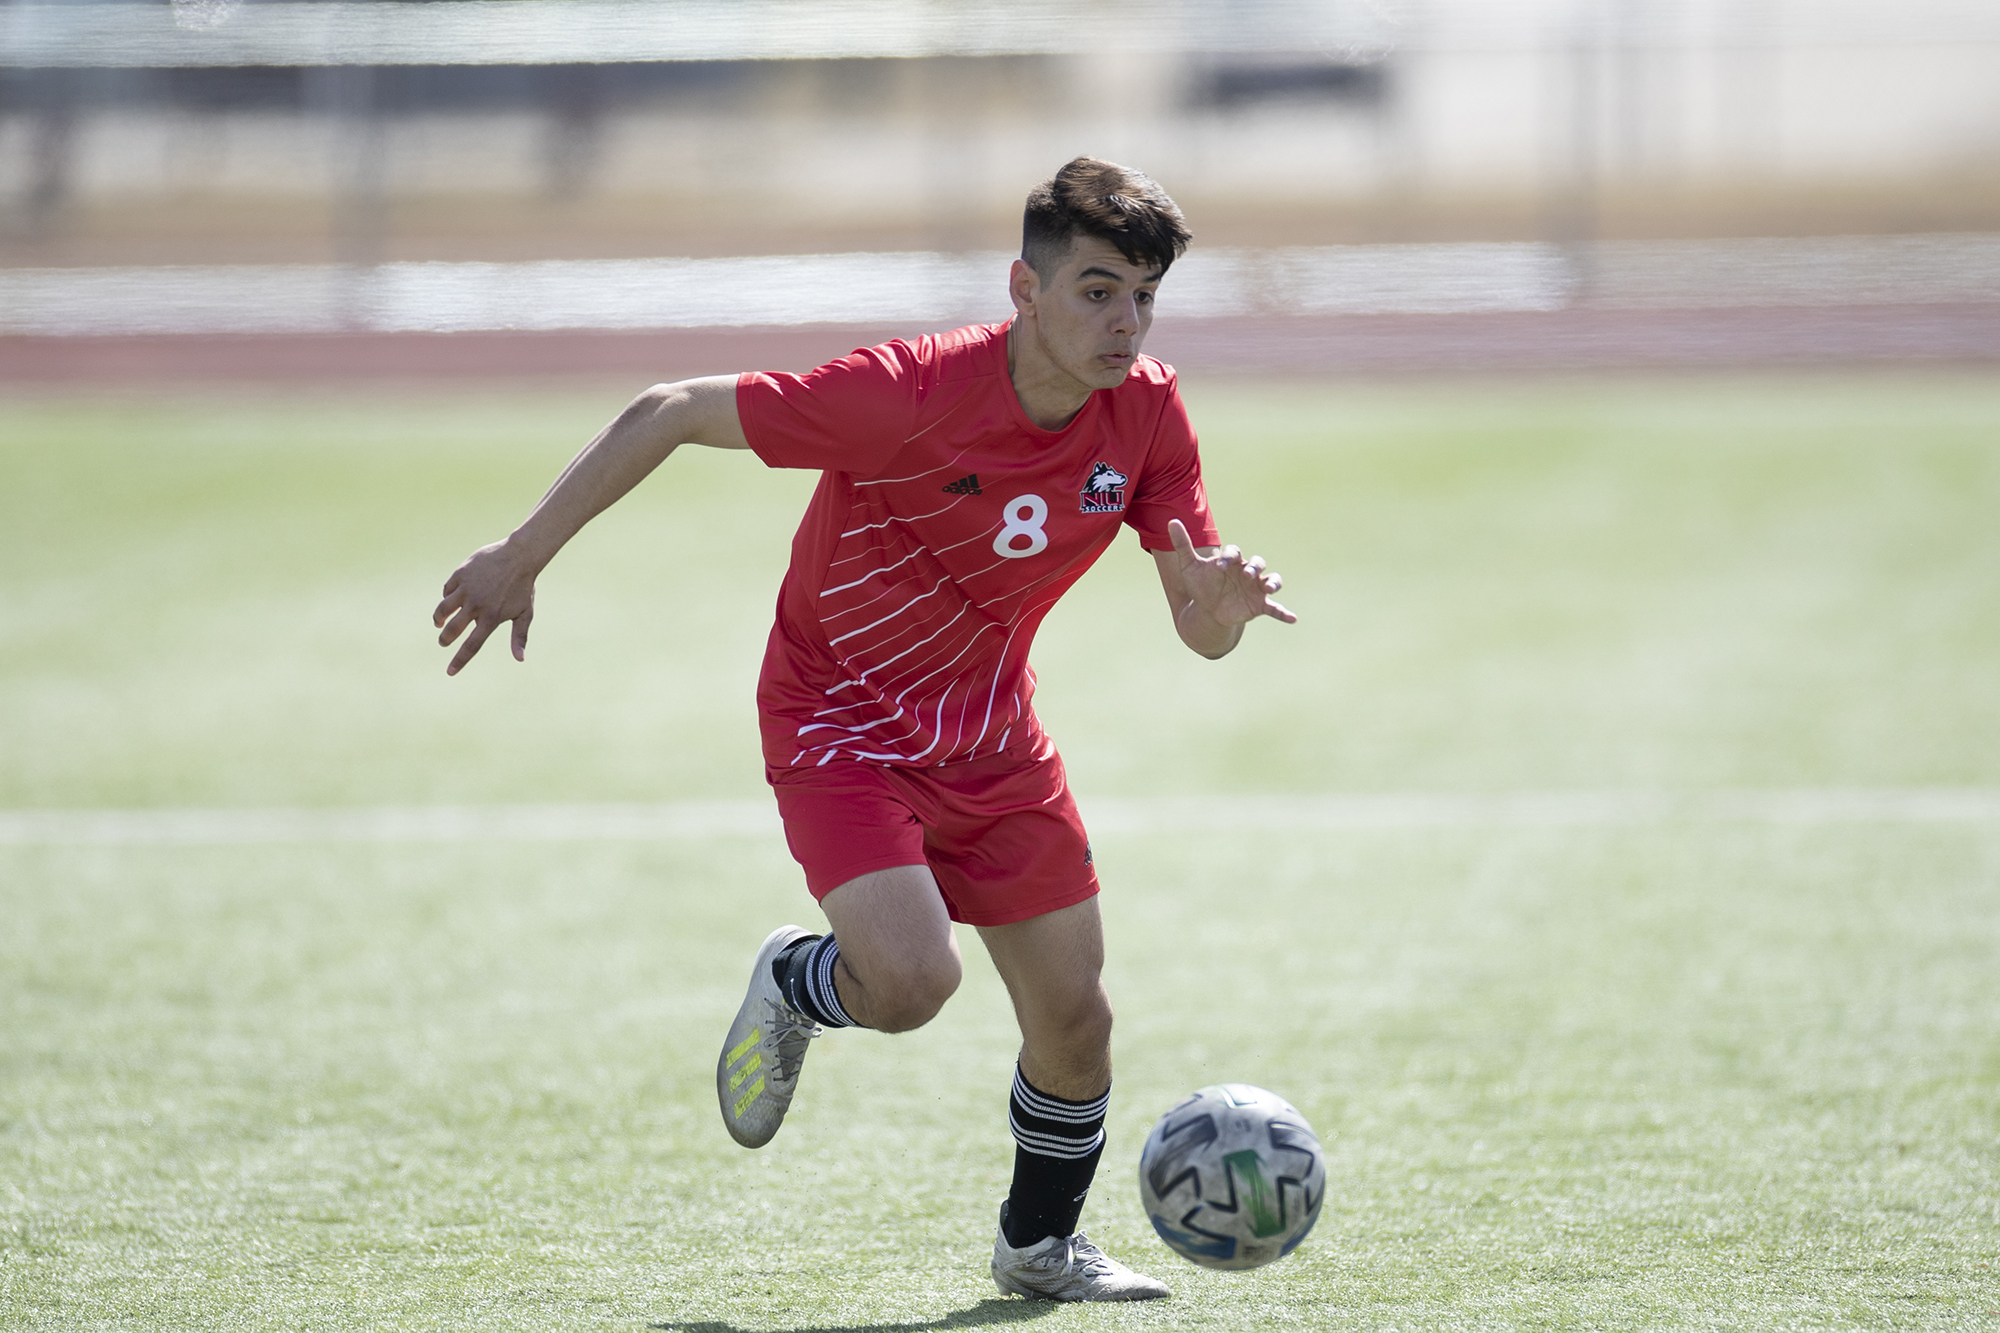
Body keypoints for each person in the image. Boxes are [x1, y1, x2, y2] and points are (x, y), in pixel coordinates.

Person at [432, 157, 1294, 1302]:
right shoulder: (906, 392)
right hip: (837, 719)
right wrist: (519, 553)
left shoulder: (1147, 412)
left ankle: (1038, 1247)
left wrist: (1220, 610)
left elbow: (1198, 623)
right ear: (1022, 291)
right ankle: (798, 983)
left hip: (989, 735)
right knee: (906, 983)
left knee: (1075, 1018)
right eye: (1095, 290)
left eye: (1141, 295)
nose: (1123, 321)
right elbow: (674, 410)